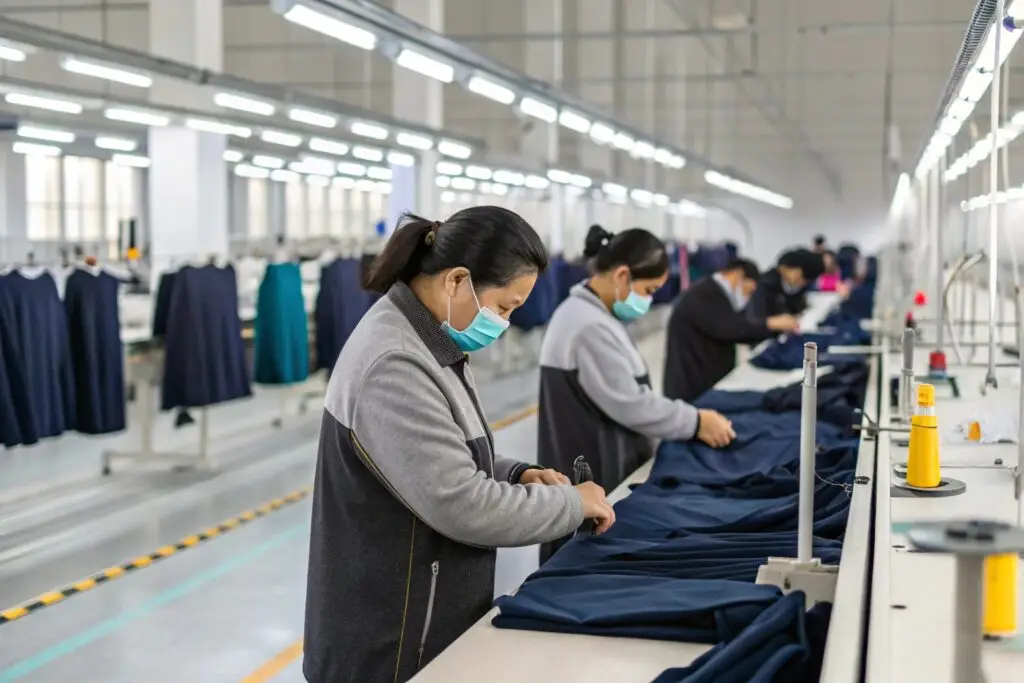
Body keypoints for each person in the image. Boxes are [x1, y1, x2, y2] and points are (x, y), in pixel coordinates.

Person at [303, 208, 616, 683]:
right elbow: (463, 504)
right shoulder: (396, 363)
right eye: (505, 306)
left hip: (418, 622)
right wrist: (571, 504)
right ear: (456, 281)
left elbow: (448, 455)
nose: (506, 322)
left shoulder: (428, 338)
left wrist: (516, 474)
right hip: (391, 643)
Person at [536, 225, 735, 561]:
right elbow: (632, 404)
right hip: (595, 471)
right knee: (582, 565)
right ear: (623, 275)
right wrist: (696, 421)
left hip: (599, 469)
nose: (649, 299)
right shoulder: (589, 326)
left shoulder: (593, 315)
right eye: (648, 289)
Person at [664, 258, 800, 402]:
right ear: (738, 274)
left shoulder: (717, 292)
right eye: (749, 290)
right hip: (691, 385)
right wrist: (771, 324)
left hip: (706, 379)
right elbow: (730, 329)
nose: (747, 297)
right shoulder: (703, 293)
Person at [749, 248, 825, 318]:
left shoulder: (795, 285)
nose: (803, 283)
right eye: (803, 278)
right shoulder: (765, 285)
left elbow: (797, 306)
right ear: (786, 269)